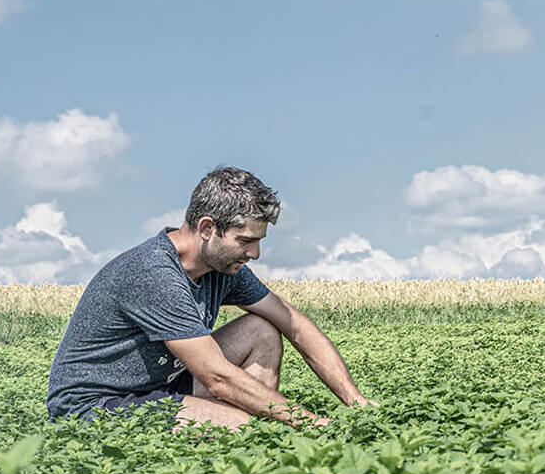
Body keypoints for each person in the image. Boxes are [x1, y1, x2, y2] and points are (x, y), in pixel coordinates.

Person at [46, 166, 375, 429]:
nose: (255, 253)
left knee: (262, 330)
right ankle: (236, 428)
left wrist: (355, 401)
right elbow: (217, 377)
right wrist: (310, 423)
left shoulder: (223, 267)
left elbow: (295, 325)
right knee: (244, 427)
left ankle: (233, 424)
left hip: (161, 385)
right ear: (207, 228)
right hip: (94, 403)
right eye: (245, 240)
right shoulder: (155, 274)